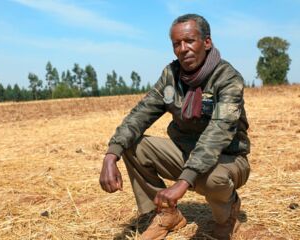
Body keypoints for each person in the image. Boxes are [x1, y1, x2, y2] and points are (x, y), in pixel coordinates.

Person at [99, 13, 250, 240]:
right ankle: (165, 214)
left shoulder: (227, 78)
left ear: (207, 42)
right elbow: (140, 115)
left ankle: (228, 216)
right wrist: (111, 154)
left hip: (227, 158)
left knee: (211, 179)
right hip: (185, 152)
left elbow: (218, 133)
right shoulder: (171, 75)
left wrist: (183, 181)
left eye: (190, 41)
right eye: (176, 44)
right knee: (132, 145)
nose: (183, 49)